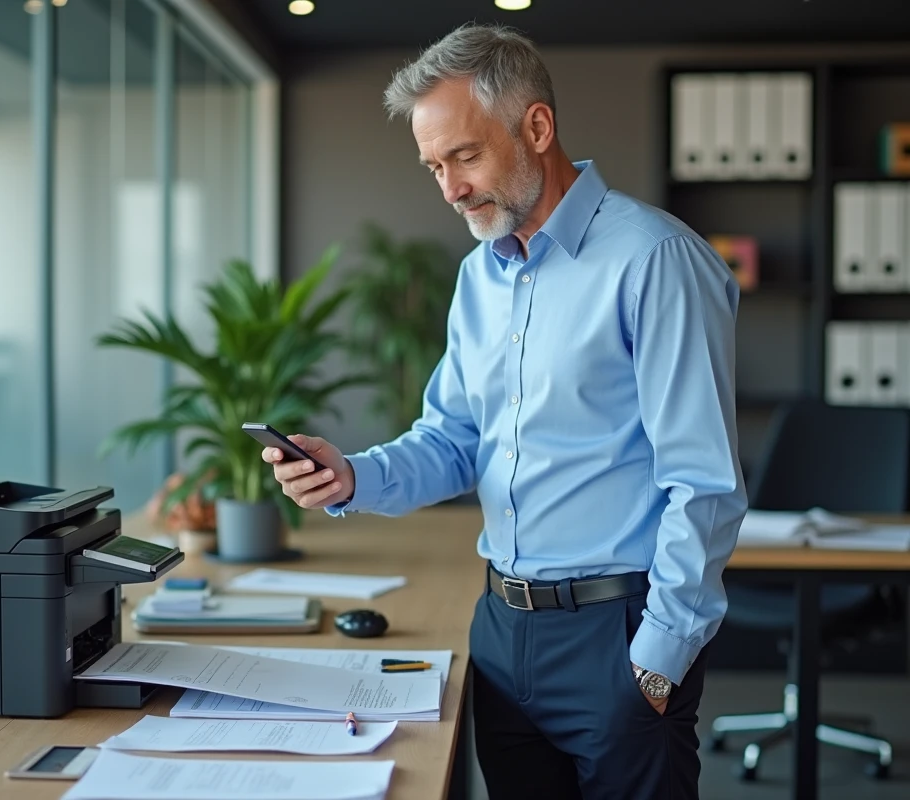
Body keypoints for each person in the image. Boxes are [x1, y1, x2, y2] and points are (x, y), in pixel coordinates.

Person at [261, 22, 747, 800]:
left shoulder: (654, 260)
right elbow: (454, 440)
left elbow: (706, 482)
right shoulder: (478, 278)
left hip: (617, 633)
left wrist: (658, 661)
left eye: (465, 156)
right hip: (502, 632)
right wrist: (351, 475)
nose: (450, 189)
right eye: (434, 167)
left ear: (537, 128)